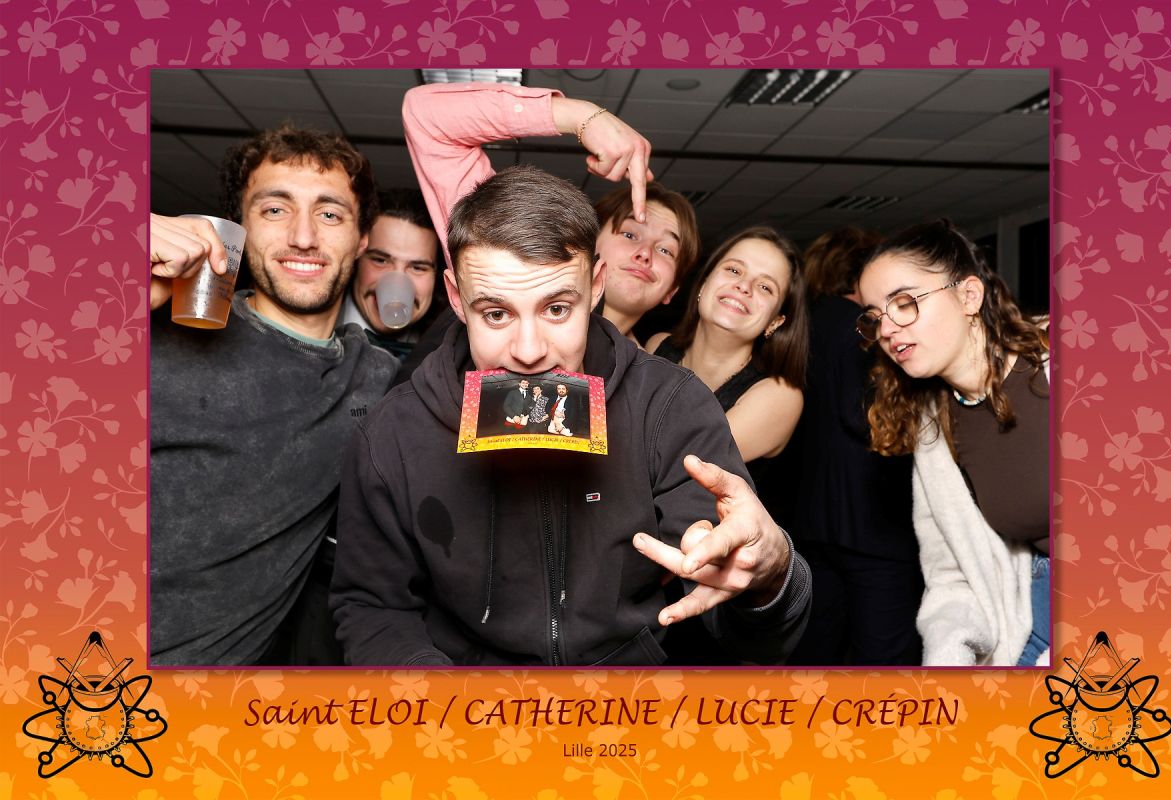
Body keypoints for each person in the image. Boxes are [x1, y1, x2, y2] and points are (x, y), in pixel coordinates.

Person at [328, 85, 812, 666]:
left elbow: (752, 626)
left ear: (596, 286)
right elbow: (372, 605)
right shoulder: (394, 431)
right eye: (497, 313)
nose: (529, 351)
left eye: (557, 309)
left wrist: (772, 571)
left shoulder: (669, 405)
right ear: (456, 298)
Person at [148, 124, 396, 666]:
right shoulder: (158, 334)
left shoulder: (376, 379)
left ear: (362, 240)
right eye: (275, 209)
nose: (303, 237)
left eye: (330, 214)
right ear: (238, 227)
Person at [390, 82, 701, 385]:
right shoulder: (501, 252)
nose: (644, 253)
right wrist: (580, 116)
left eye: (665, 250)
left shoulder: (648, 383)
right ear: (590, 245)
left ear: (673, 289)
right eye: (630, 235)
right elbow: (426, 115)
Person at [856, 219, 1049, 667]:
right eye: (874, 317)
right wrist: (949, 657)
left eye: (904, 303)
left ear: (969, 296)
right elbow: (952, 572)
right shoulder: (934, 431)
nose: (887, 329)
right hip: (1035, 605)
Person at [762, 227, 923, 666]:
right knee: (884, 657)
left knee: (815, 648)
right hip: (869, 522)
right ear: (859, 273)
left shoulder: (798, 325)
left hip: (807, 518)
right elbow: (865, 415)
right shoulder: (860, 329)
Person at [645, 226, 807, 483]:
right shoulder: (657, 346)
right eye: (734, 270)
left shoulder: (780, 396)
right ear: (705, 282)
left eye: (765, 287)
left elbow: (677, 466)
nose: (744, 286)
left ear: (775, 322)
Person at [337, 188, 443, 363]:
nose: (398, 284)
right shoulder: (315, 333)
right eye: (380, 260)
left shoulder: (449, 351)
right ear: (356, 259)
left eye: (417, 267)